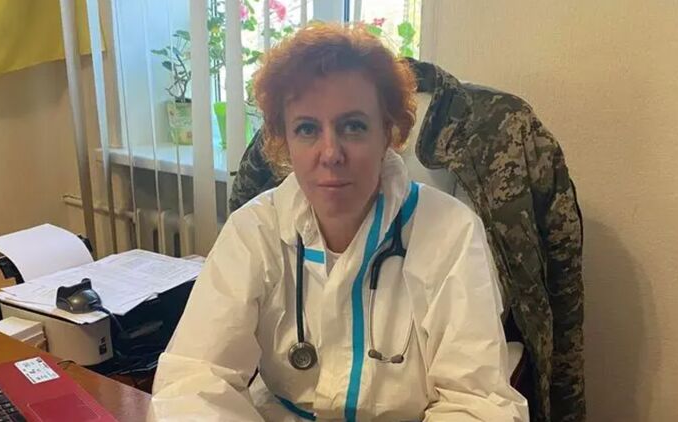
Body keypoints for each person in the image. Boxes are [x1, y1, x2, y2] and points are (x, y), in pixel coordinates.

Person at [150, 23, 528, 422]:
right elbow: (192, 380)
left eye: (353, 126)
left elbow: (477, 403)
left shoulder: (451, 232)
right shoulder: (254, 230)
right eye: (307, 129)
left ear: (389, 133)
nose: (330, 153)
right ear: (284, 140)